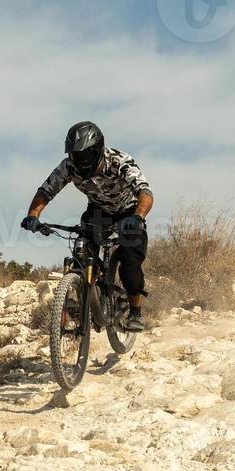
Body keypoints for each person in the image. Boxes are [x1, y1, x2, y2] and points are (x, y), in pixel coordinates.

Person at [21, 121, 154, 331]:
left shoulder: (120, 162)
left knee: (130, 263)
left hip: (128, 212)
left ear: (98, 150)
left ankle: (135, 312)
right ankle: (82, 296)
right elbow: (46, 191)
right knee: (82, 251)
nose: (81, 162)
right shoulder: (68, 167)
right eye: (76, 156)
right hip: (98, 212)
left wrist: (138, 216)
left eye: (86, 156)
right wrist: (33, 215)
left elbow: (145, 192)